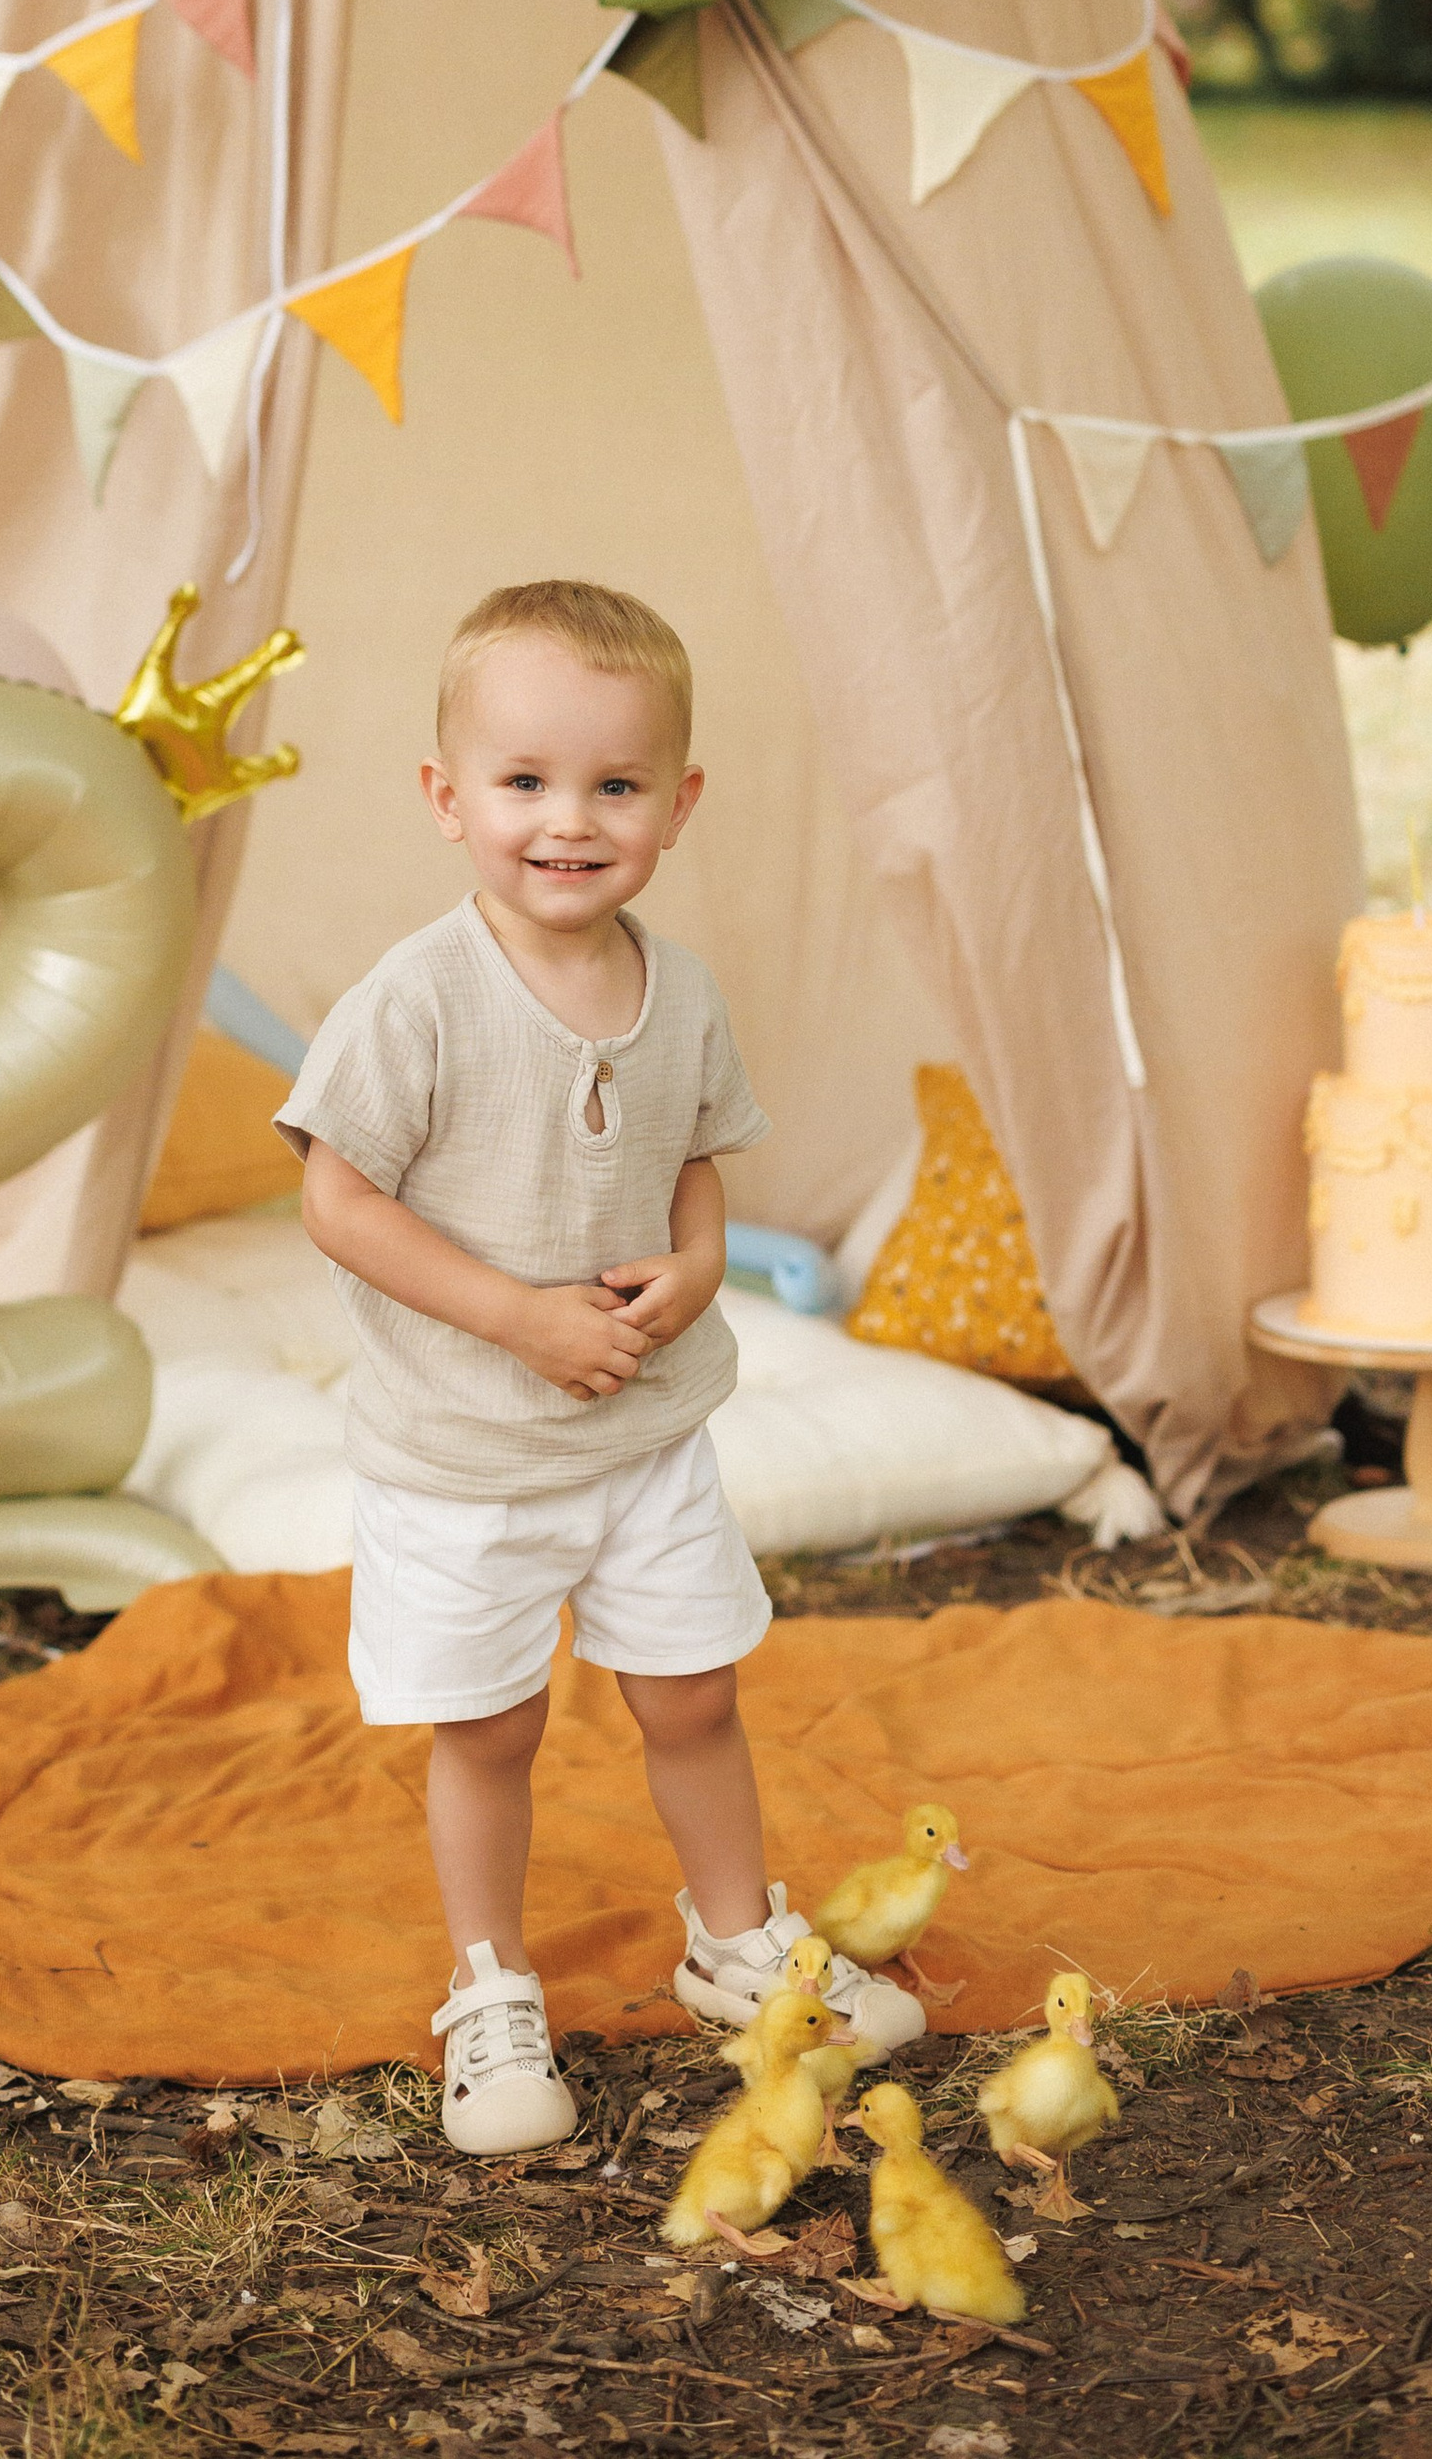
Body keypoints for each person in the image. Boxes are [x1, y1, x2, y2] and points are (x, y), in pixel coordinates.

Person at [280, 578, 923, 2155]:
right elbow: (333, 1195)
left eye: (614, 785)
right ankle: (490, 1986)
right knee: (491, 1726)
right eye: (524, 783)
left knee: (692, 1691)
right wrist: (517, 1314)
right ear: (449, 798)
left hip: (642, 1439)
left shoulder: (679, 989)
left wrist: (697, 1266)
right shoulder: (418, 999)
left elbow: (699, 1162)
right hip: (466, 1455)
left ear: (676, 802)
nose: (569, 821)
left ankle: (735, 1939)